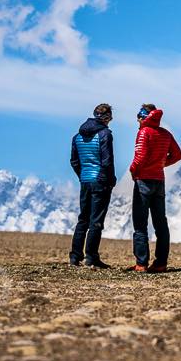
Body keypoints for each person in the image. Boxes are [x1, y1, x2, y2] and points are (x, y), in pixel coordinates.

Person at [129, 103, 181, 272]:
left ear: (144, 116)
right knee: (161, 223)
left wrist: (133, 171)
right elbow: (177, 155)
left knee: (140, 223)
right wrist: (161, 164)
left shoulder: (144, 132)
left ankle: (141, 263)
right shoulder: (165, 134)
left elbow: (140, 157)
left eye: (139, 115)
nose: (137, 119)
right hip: (159, 180)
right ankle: (161, 263)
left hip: (143, 180)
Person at [69, 103, 116, 269]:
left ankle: (75, 257)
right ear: (106, 118)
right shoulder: (105, 134)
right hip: (100, 181)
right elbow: (107, 161)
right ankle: (91, 257)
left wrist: (82, 175)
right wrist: (110, 180)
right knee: (96, 221)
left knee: (83, 219)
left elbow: (74, 161)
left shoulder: (77, 136)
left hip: (85, 180)